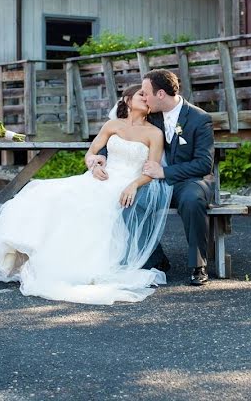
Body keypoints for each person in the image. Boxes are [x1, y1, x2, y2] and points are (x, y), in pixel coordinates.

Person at [0, 84, 173, 305]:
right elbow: (92, 153)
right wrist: (94, 164)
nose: (146, 98)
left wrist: (134, 185)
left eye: (148, 96)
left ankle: (70, 264)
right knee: (42, 193)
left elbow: (152, 170)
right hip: (100, 178)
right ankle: (27, 255)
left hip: (125, 184)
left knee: (91, 209)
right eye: (141, 94)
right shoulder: (112, 125)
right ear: (127, 100)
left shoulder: (154, 133)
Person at [90, 69, 215, 286]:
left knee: (192, 201)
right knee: (131, 201)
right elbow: (121, 139)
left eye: (146, 92)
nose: (144, 97)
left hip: (187, 181)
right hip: (153, 181)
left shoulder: (199, 118)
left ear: (160, 95)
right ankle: (154, 257)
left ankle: (198, 265)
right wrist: (99, 157)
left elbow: (204, 164)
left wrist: (165, 172)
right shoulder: (150, 114)